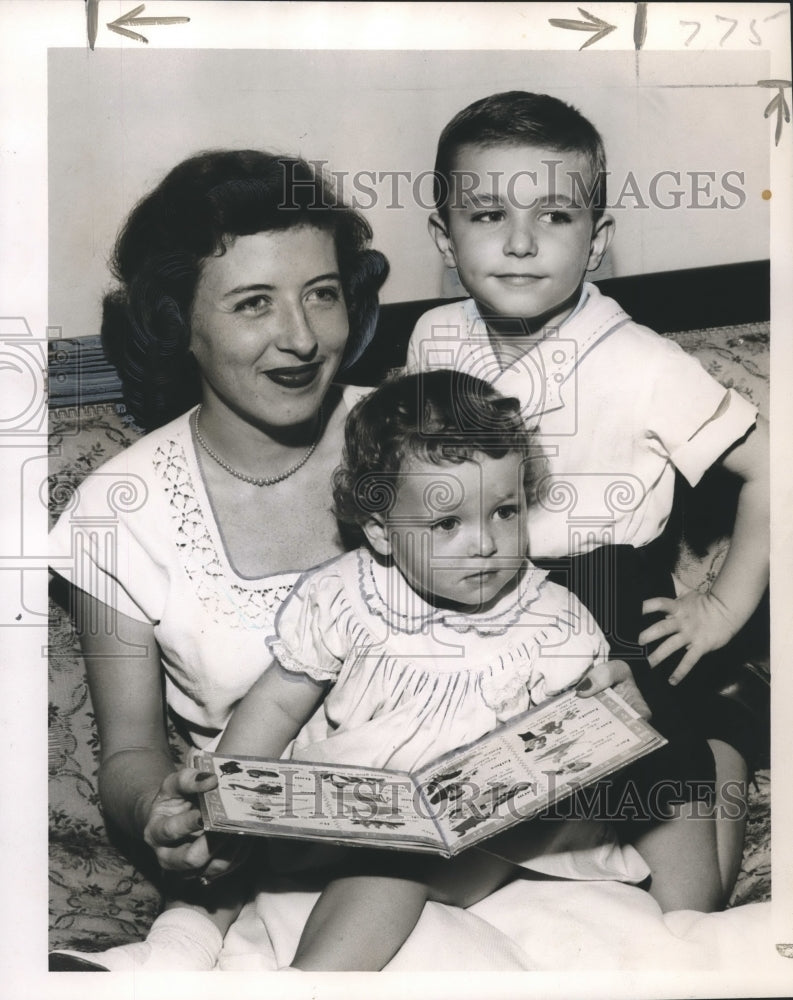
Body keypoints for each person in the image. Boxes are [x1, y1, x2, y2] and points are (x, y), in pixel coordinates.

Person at [405, 91, 770, 911]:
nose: (521, 241)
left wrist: (719, 607)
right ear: (443, 237)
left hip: (606, 599)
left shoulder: (642, 361)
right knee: (454, 859)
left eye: (556, 215)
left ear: (597, 242)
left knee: (685, 887)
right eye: (488, 213)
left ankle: (720, 746)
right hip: (480, 603)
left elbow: (773, 471)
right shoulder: (434, 338)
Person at [48, 148, 390, 970]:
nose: (301, 338)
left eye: (321, 294)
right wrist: (162, 813)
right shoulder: (117, 508)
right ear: (178, 324)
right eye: (252, 304)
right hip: (272, 877)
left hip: (464, 852)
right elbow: (131, 754)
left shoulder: (418, 435)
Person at [212, 369, 648, 972]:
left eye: (503, 511)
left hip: (489, 846)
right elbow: (279, 702)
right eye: (447, 523)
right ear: (380, 532)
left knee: (402, 867)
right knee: (388, 860)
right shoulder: (347, 597)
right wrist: (226, 794)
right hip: (343, 827)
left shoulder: (552, 620)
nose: (485, 544)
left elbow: (580, 738)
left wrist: (609, 712)